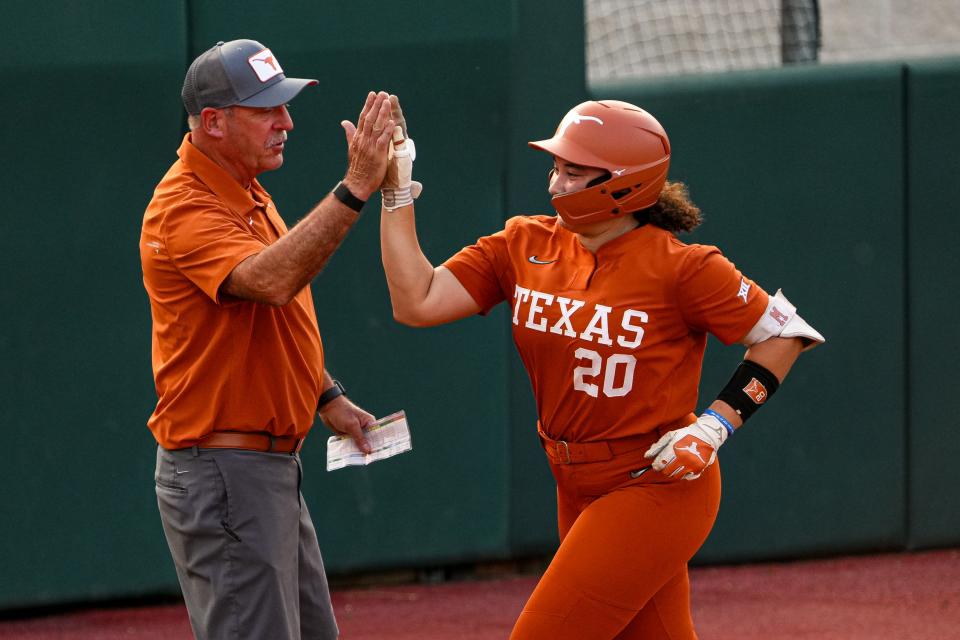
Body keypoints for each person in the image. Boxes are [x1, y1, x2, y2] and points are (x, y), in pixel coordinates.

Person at [378, 99, 824, 639]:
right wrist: (396, 193)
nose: (555, 183)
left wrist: (716, 425)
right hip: (573, 481)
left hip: (657, 482)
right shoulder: (526, 242)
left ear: (624, 184)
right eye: (557, 167)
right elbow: (417, 302)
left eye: (574, 171)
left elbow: (786, 335)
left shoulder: (684, 266)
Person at [140, 38, 397, 640]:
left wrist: (326, 394)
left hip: (265, 469)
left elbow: (273, 319)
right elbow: (273, 281)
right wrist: (356, 186)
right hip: (223, 470)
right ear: (213, 122)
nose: (286, 121)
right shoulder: (181, 206)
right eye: (266, 109)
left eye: (285, 104)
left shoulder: (246, 188)